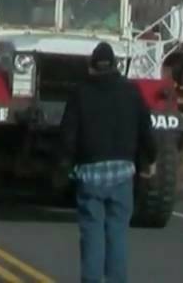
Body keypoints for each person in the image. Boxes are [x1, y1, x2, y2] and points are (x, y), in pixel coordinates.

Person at [58, 42, 156, 283]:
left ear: (92, 67)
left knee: (92, 233)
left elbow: (68, 135)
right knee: (117, 233)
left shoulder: (80, 93)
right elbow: (146, 129)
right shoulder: (131, 92)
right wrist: (150, 160)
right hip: (123, 173)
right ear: (115, 66)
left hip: (90, 174)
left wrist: (63, 166)